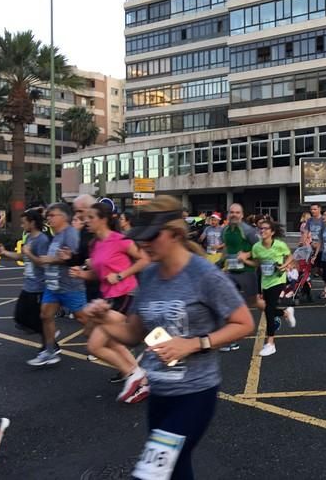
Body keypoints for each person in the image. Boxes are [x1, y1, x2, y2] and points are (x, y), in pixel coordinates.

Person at [84, 195, 254, 479]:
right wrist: (101, 320)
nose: (143, 243)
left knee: (152, 472)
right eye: (141, 237)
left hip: (195, 394)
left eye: (151, 236)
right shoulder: (149, 275)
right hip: (159, 392)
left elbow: (244, 322)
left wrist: (194, 343)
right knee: (177, 469)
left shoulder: (204, 275)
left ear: (174, 234)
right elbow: (133, 333)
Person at [69, 203, 151, 398]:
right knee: (107, 341)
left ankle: (135, 375)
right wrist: (82, 274)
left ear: (103, 219)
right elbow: (98, 274)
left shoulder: (120, 239)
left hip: (126, 295)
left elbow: (144, 259)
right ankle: (138, 376)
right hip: (108, 297)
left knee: (95, 344)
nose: (85, 221)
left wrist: (121, 275)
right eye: (84, 218)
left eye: (90, 217)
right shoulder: (94, 244)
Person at [22, 203, 87, 366]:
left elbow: (74, 258)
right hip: (53, 286)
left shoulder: (70, 234)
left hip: (70, 286)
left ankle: (111, 341)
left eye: (52, 215)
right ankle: (50, 351)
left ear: (64, 217)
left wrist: (52, 259)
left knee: (84, 319)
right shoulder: (56, 235)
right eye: (48, 215)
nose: (48, 218)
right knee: (45, 315)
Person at [0, 210, 50, 349]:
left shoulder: (42, 240)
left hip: (39, 286)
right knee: (20, 317)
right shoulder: (29, 238)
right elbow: (22, 257)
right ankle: (49, 339)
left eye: (23, 223)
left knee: (36, 318)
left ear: (32, 223)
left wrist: (29, 253)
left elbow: (42, 262)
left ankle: (49, 343)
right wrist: (4, 253)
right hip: (28, 285)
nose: (22, 226)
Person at [246, 218, 296, 356]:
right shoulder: (257, 247)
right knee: (267, 308)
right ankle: (286, 313)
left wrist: (285, 265)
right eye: (260, 228)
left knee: (268, 310)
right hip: (265, 281)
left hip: (278, 280)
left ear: (272, 232)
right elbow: (257, 265)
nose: (262, 231)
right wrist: (244, 260)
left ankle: (270, 344)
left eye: (265, 228)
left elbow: (290, 256)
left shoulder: (279, 245)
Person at [219, 203, 262, 352]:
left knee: (254, 302)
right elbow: (226, 248)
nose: (234, 215)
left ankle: (277, 314)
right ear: (228, 214)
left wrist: (246, 255)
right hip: (231, 272)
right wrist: (219, 263)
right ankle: (231, 340)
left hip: (247, 272)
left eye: (237, 213)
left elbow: (260, 247)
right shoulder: (224, 230)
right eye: (232, 212)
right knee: (228, 303)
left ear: (242, 215)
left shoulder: (248, 231)